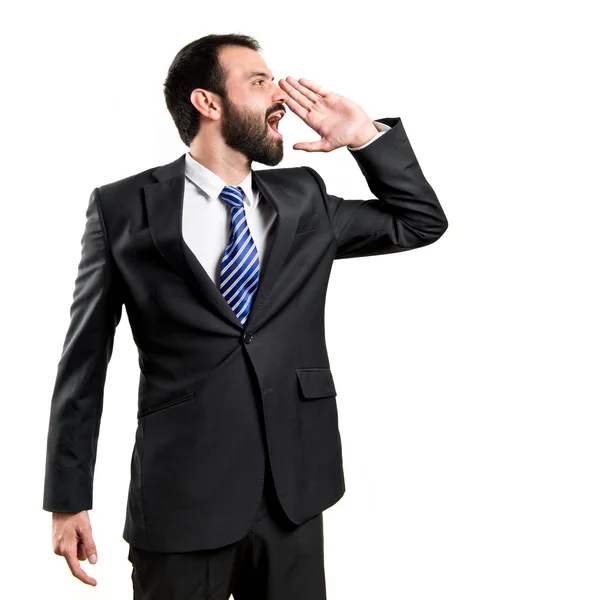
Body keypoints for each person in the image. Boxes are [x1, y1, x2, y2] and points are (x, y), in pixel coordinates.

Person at [43, 32, 448, 599]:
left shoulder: (304, 197)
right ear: (208, 103)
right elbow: (83, 361)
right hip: (180, 500)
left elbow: (419, 222)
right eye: (258, 81)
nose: (278, 92)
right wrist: (67, 498)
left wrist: (363, 138)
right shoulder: (124, 208)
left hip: (293, 496)